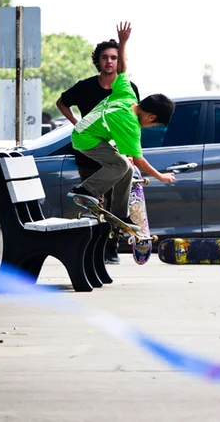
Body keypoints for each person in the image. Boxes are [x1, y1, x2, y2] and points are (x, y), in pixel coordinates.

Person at [56, 22, 141, 263]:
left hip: (116, 153)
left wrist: (131, 151)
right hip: (91, 153)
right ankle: (93, 250)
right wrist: (76, 123)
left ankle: (111, 248)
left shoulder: (127, 88)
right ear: (98, 61)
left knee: (115, 204)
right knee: (96, 205)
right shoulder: (85, 87)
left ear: (119, 61)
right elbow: (61, 103)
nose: (109, 62)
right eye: (105, 57)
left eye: (114, 57)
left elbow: (132, 121)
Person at [67, 72, 176, 237]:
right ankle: (85, 190)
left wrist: (122, 45)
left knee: (128, 168)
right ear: (152, 117)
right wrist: (161, 177)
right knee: (122, 164)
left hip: (88, 132)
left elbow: (121, 71)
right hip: (85, 139)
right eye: (154, 125)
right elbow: (139, 161)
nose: (151, 127)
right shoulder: (131, 124)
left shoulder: (128, 95)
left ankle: (119, 213)